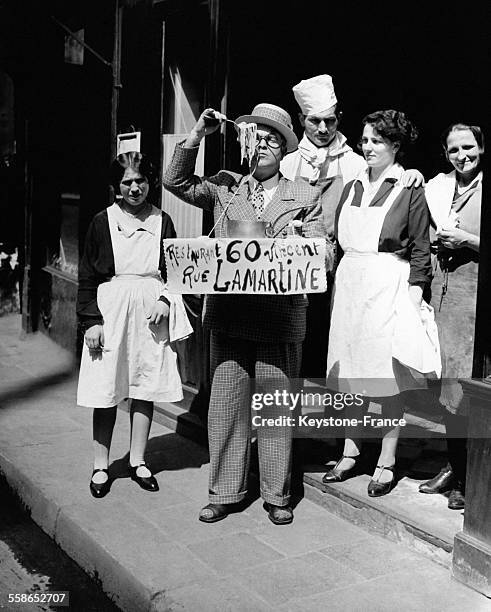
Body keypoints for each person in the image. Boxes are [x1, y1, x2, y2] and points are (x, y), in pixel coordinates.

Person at [163, 104, 331, 524]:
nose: (263, 146)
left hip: (280, 318)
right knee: (225, 404)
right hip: (229, 316)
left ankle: (276, 494)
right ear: (243, 144)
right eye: (255, 137)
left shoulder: (305, 195)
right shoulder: (225, 188)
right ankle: (225, 491)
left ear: (285, 148)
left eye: (272, 138)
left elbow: (324, 256)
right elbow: (174, 181)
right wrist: (196, 134)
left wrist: (301, 242)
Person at [324, 110, 437, 497]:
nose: (367, 146)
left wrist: (414, 294)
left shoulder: (409, 186)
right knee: (351, 375)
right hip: (351, 285)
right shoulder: (353, 183)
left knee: (384, 379)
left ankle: (386, 460)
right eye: (365, 139)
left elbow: (421, 248)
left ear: (395, 146)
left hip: (388, 286)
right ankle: (351, 451)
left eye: (376, 141)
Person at [281, 75, 424, 378]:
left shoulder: (357, 163)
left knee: (351, 355)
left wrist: (411, 173)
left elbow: (389, 180)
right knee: (298, 346)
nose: (323, 129)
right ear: (300, 119)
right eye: (314, 121)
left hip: (344, 272)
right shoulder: (288, 163)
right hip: (296, 270)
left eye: (330, 121)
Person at [77, 151, 192, 498]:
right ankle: (101, 464)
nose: (134, 188)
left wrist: (165, 300)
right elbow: (87, 276)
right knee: (107, 388)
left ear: (150, 183)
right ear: (116, 187)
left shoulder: (162, 220)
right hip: (111, 311)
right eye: (127, 182)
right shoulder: (102, 221)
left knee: (145, 384)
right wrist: (91, 321)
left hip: (150, 311)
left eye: (140, 181)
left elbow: (175, 272)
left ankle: (138, 460)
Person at [418, 123, 483, 509]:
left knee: (470, 389)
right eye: (455, 149)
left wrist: (467, 241)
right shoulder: (439, 187)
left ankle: (468, 476)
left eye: (469, 147)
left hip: (477, 302)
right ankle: (453, 465)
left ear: (482, 148)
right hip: (445, 300)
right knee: (447, 387)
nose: (463, 156)